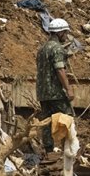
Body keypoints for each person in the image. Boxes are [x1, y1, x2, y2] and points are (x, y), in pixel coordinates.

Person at [36, 18, 74, 153]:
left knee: (47, 121)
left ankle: (49, 151)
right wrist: (68, 88)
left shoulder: (42, 49)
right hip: (55, 92)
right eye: (65, 32)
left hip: (42, 92)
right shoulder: (57, 48)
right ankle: (69, 149)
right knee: (67, 117)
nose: (66, 36)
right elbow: (59, 69)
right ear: (60, 33)